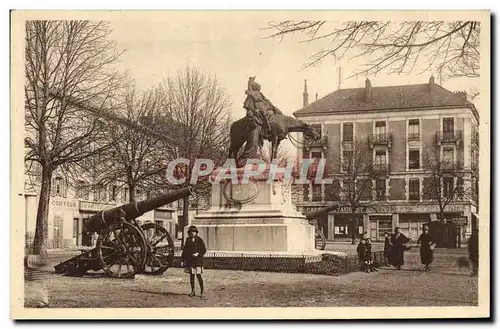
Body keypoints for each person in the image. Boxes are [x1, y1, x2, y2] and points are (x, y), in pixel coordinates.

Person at [181, 225, 207, 297]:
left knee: (199, 276)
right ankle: (193, 291)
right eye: (191, 232)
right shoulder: (188, 240)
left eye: (194, 232)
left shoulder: (199, 240)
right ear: (189, 233)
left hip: (198, 261)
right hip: (191, 261)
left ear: (196, 232)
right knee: (192, 276)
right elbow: (185, 251)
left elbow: (204, 250)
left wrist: (198, 253)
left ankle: (202, 291)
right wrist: (182, 260)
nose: (192, 233)